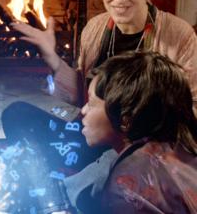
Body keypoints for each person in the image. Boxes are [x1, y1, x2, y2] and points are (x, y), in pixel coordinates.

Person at [2, 0, 197, 211]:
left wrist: (131, 134)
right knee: (16, 114)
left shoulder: (180, 36)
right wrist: (52, 59)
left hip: (141, 147)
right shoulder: (94, 30)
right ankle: (62, 177)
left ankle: (74, 183)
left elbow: (189, 114)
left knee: (100, 175)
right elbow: (82, 99)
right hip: (99, 132)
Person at [80, 51, 197, 213]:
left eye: (91, 103)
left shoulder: (125, 187)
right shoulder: (183, 147)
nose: (83, 110)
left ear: (125, 120)